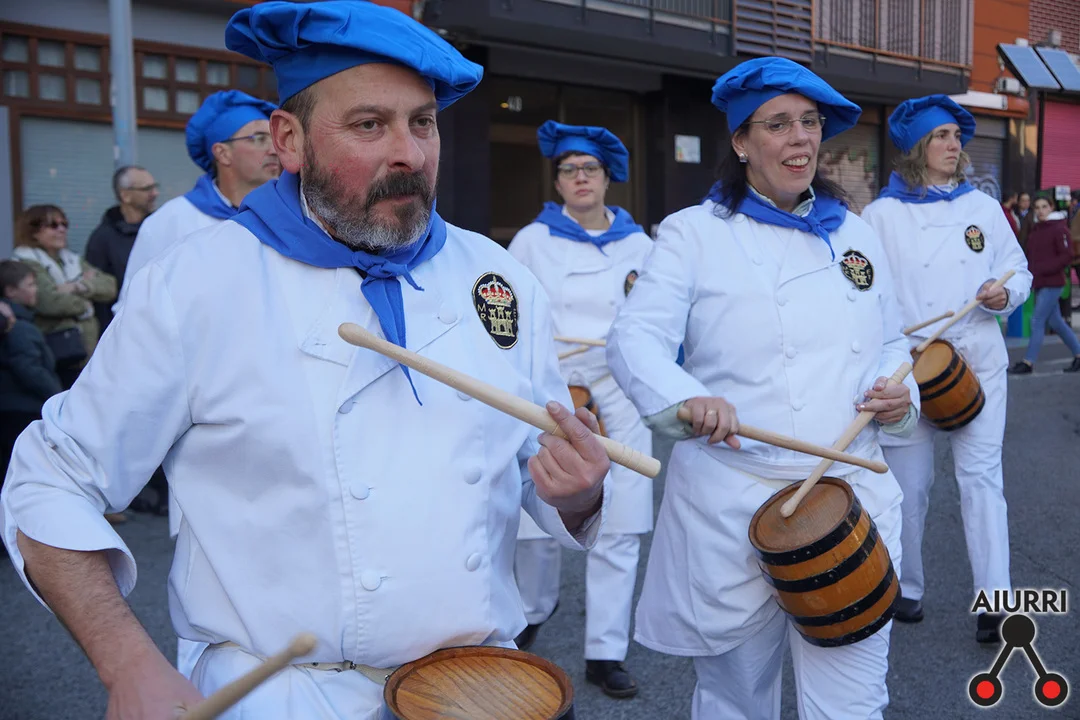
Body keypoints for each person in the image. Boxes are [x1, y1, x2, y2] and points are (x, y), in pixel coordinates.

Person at [0, 3, 612, 719]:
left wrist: (577, 494)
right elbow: (49, 481)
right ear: (288, 140)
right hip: (282, 695)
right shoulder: (196, 284)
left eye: (422, 123)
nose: (410, 155)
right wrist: (128, 666)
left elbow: (536, 474)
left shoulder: (496, 278)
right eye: (369, 125)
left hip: (476, 687)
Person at [606, 56, 918, 720]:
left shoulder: (855, 232)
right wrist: (684, 399)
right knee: (736, 703)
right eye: (777, 124)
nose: (799, 138)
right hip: (734, 504)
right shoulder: (693, 233)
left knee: (854, 707)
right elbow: (634, 338)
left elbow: (893, 341)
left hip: (848, 501)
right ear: (742, 143)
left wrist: (899, 394)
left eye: (809, 122)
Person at [861, 95, 1032, 643]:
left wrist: (1004, 293)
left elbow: (1018, 269)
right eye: (941, 135)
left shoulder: (982, 208)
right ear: (916, 146)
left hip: (978, 362)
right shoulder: (879, 217)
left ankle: (995, 601)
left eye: (957, 136)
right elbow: (861, 295)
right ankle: (907, 587)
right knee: (908, 488)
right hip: (910, 370)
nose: (954, 144)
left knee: (982, 482)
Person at [508, 121, 653, 698]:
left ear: (606, 177)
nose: (580, 178)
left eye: (589, 168)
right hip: (551, 386)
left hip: (619, 388)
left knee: (622, 519)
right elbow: (510, 318)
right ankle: (531, 610)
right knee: (537, 506)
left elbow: (652, 321)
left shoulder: (640, 247)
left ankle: (605, 652)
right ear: (558, 182)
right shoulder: (531, 241)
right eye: (569, 170)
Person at [115, 90, 280, 311]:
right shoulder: (172, 222)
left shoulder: (289, 217)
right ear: (222, 153)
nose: (274, 150)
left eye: (274, 139)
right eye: (259, 138)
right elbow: (133, 308)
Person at [12, 204, 117, 389]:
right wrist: (85, 306)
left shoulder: (71, 260)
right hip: (56, 354)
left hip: (85, 355)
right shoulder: (26, 261)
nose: (62, 229)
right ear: (33, 232)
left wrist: (78, 286)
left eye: (64, 224)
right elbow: (49, 301)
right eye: (53, 225)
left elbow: (110, 286)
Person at [0, 261, 63, 491]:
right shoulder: (19, 327)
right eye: (30, 285)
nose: (36, 290)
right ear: (11, 291)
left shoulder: (18, 321)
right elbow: (28, 368)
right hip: (21, 411)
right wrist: (57, 396)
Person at [1008, 194, 1080, 374]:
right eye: (1037, 207)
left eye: (1044, 207)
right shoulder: (1037, 229)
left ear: (1051, 207)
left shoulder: (1059, 228)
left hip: (1053, 282)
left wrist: (1043, 269)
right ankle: (1079, 355)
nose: (1040, 211)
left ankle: (1028, 362)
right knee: (1056, 323)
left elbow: (1067, 255)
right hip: (1040, 281)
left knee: (1037, 320)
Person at [85, 166, 159, 333]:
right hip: (121, 329)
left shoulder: (159, 229)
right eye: (147, 189)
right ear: (125, 195)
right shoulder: (102, 238)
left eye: (155, 187)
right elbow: (99, 293)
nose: (155, 193)